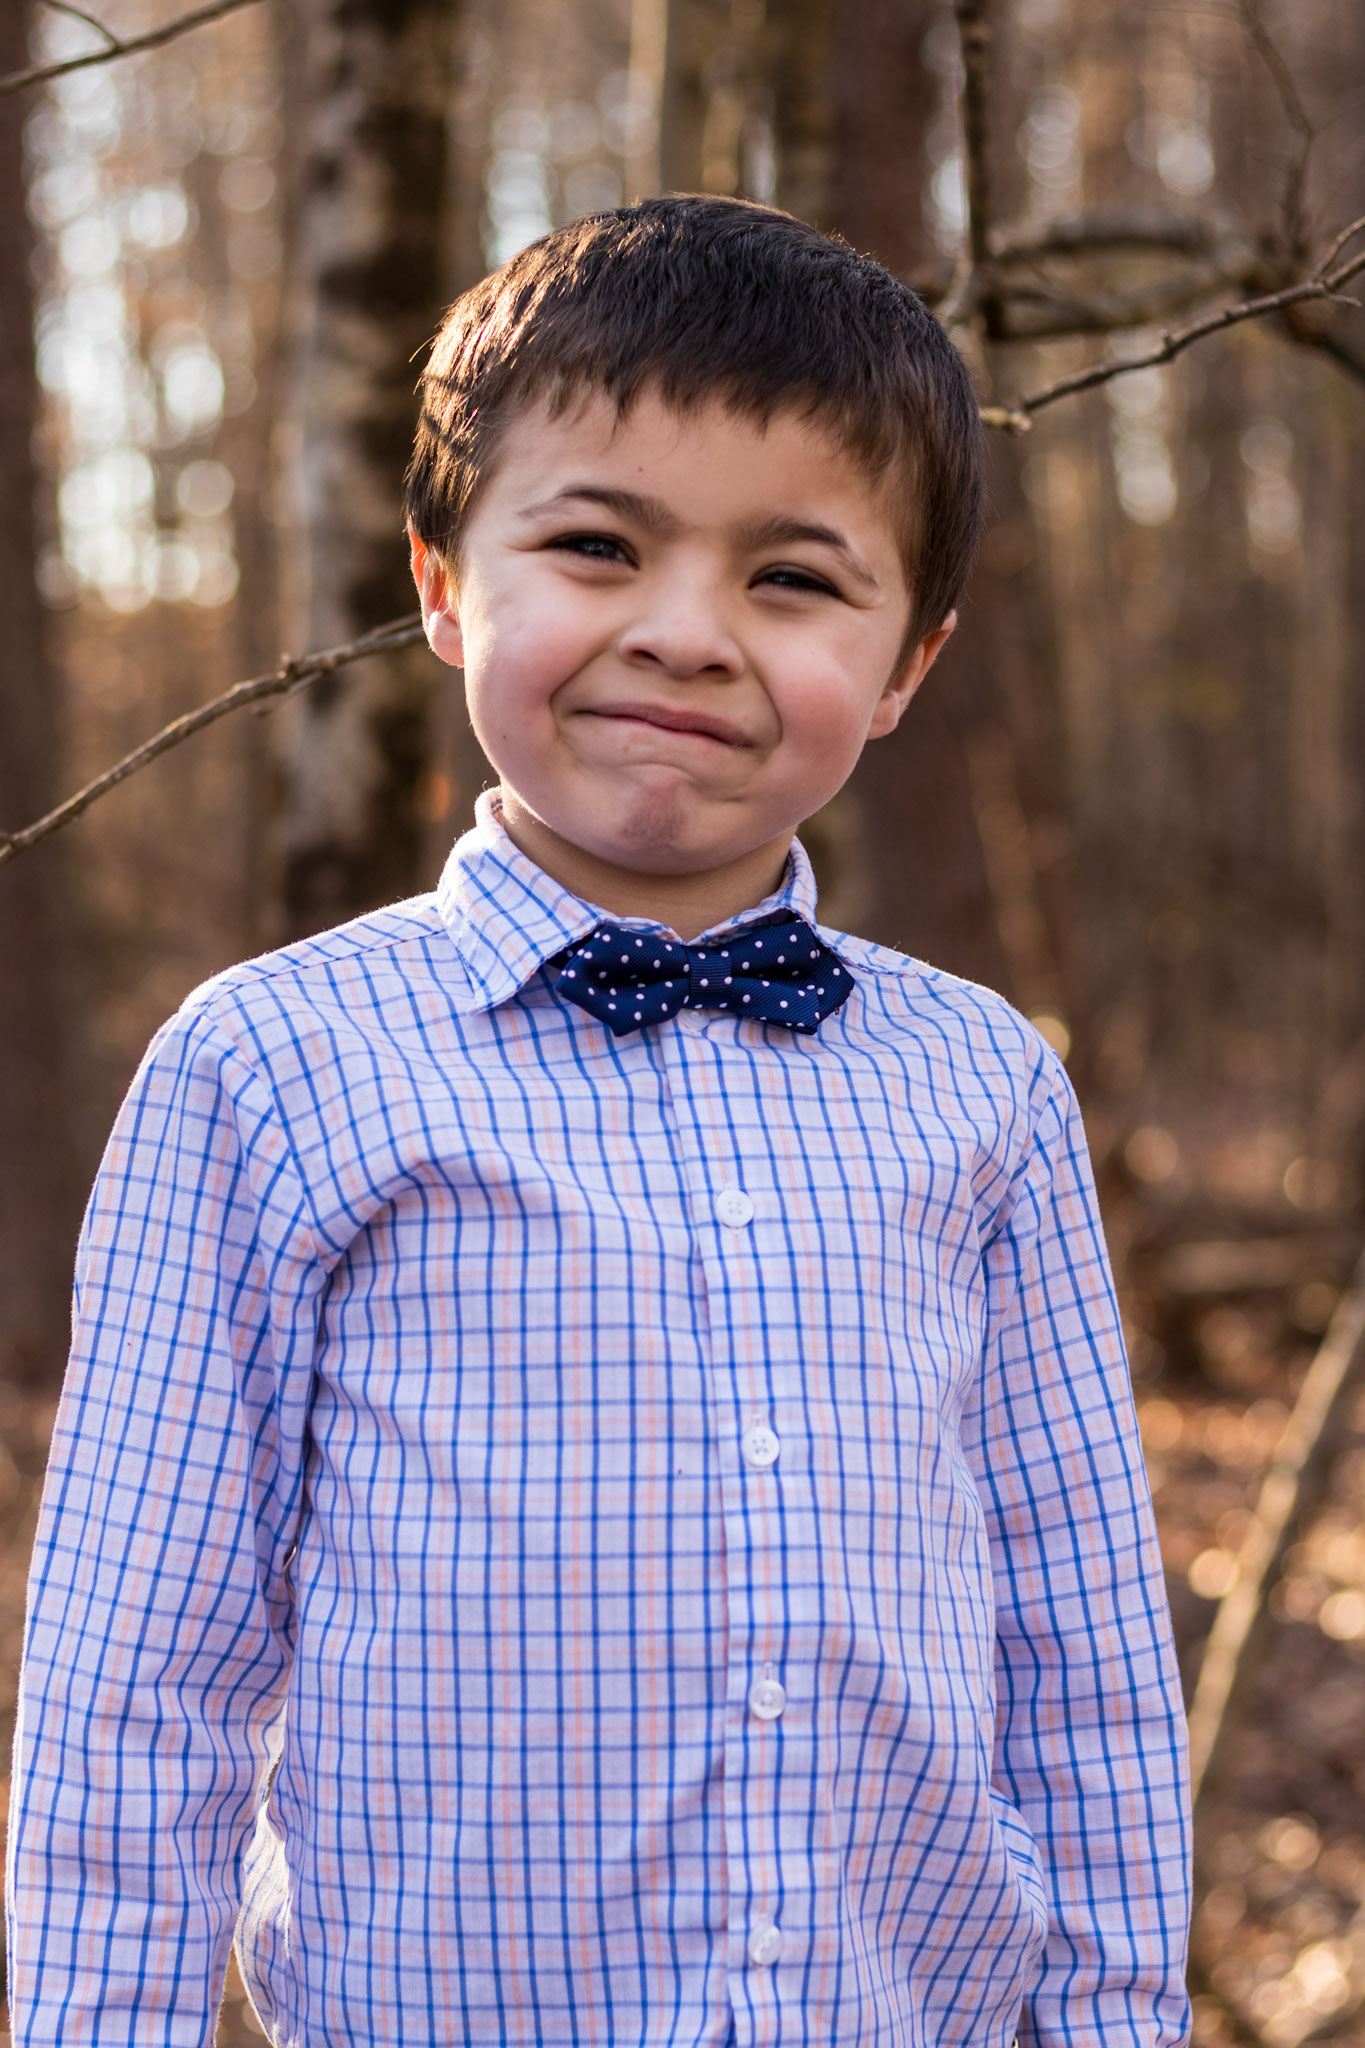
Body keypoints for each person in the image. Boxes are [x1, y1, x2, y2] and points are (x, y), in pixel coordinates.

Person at [7, 196, 1191, 2047]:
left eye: (792, 579)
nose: (686, 634)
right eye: (595, 545)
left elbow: (1081, 1639)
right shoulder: (268, 1065)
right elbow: (138, 1669)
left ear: (905, 664)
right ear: (442, 581)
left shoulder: (982, 1083)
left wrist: (1115, 2016)